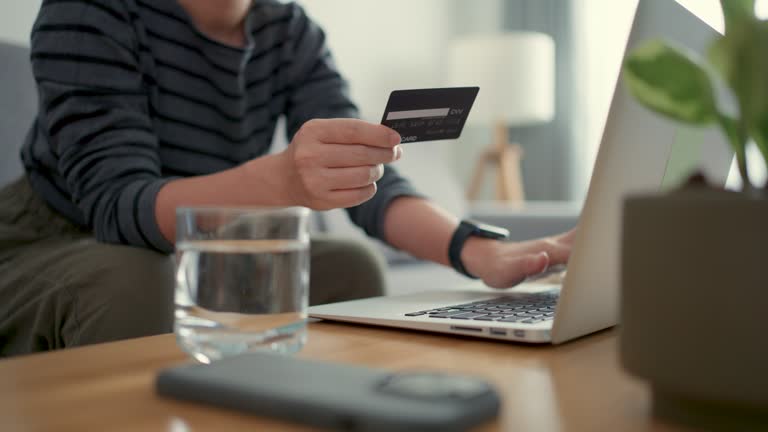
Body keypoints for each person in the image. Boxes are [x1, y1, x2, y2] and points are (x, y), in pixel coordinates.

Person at [0, 0, 573, 356]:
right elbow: (117, 206)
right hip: (55, 236)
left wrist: (475, 249)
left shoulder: (289, 30)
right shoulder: (91, 11)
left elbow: (371, 182)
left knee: (351, 266)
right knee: (131, 279)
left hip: (201, 240)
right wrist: (280, 181)